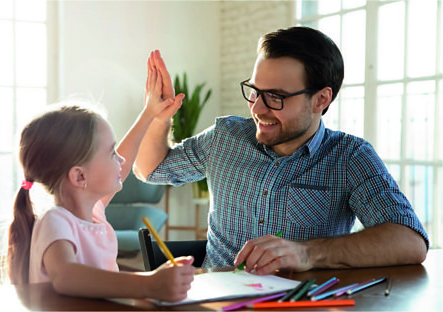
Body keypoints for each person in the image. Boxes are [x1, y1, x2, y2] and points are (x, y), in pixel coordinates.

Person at [133, 27, 429, 275]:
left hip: (297, 304)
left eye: (276, 96)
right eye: (255, 91)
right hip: (214, 303)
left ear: (321, 99)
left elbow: (410, 242)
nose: (258, 109)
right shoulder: (225, 137)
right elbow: (151, 169)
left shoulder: (350, 157)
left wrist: (305, 254)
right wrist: (160, 117)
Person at [6, 67, 195, 302]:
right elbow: (66, 276)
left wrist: (149, 113)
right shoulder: (55, 222)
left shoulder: (92, 213)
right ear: (79, 177)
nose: (122, 160)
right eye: (111, 153)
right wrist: (148, 284)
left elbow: (122, 167)